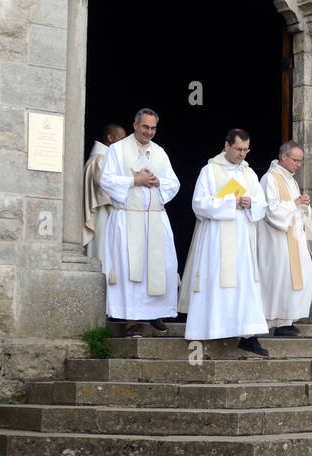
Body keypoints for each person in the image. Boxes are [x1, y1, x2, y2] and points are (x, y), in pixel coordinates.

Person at [180, 128, 270, 356]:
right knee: (216, 281)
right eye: (239, 149)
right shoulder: (210, 171)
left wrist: (251, 204)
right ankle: (212, 329)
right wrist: (231, 203)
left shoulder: (250, 174)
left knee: (245, 284)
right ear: (227, 146)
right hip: (217, 240)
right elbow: (199, 203)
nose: (242, 154)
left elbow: (262, 204)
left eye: (246, 150)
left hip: (243, 239)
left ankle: (248, 334)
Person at [100, 107, 180, 337]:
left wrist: (156, 182)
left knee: (159, 266)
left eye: (153, 128)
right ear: (135, 125)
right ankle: (131, 320)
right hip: (128, 217)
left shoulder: (160, 153)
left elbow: (173, 183)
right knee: (129, 268)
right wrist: (135, 180)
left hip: (154, 217)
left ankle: (154, 312)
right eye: (145, 127)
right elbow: (106, 180)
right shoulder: (117, 150)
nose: (149, 132)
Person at [257, 140, 312, 337]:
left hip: (294, 238)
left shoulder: (290, 180)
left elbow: (297, 208)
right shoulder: (270, 179)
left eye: (301, 161)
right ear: (283, 156)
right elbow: (270, 210)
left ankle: (287, 320)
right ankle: (274, 321)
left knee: (302, 277)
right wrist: (294, 204)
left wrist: (304, 206)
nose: (298, 165)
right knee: (281, 278)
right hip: (277, 240)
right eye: (295, 160)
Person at [82, 123, 126, 284]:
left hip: (107, 216)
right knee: (104, 257)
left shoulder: (105, 159)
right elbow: (108, 192)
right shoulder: (101, 160)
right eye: (121, 139)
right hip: (103, 218)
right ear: (110, 138)